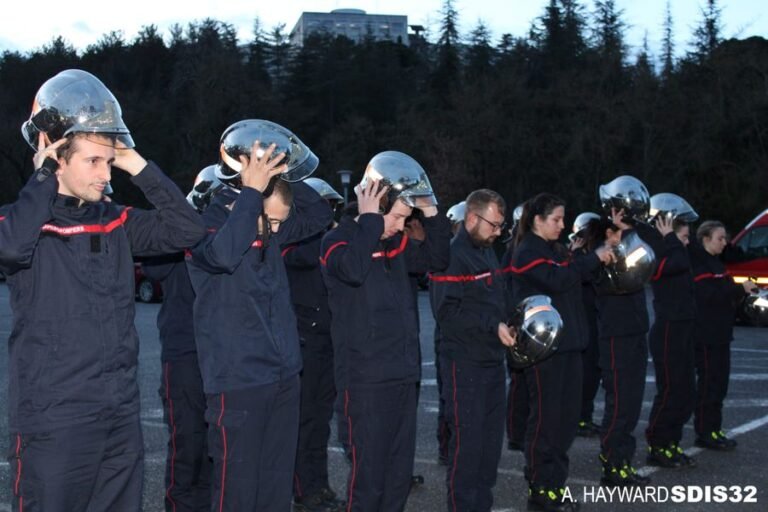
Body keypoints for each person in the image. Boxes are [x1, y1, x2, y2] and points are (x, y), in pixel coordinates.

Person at [0, 69, 206, 512]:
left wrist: (136, 163)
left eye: (109, 162)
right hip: (55, 420)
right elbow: (11, 248)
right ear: (56, 158)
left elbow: (187, 229)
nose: (105, 173)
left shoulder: (116, 219)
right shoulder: (19, 221)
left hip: (119, 416)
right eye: (94, 161)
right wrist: (40, 181)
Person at [186, 120, 333, 512]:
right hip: (237, 381)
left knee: (274, 487)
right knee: (237, 491)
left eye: (280, 223)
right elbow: (222, 255)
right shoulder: (205, 223)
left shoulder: (273, 225)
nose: (276, 230)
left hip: (284, 376)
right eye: (271, 221)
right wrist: (252, 191)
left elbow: (319, 214)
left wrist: (285, 173)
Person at [320, 151, 450, 512]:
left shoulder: (396, 243)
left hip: (402, 377)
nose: (400, 226)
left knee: (397, 480)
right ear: (376, 206)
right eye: (396, 217)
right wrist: (370, 223)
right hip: (365, 384)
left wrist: (432, 210)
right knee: (369, 482)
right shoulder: (338, 243)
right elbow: (353, 271)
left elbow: (438, 259)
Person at [507, 194, 614, 511]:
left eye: (563, 218)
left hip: (570, 346)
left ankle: (555, 483)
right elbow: (557, 278)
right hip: (545, 350)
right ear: (537, 220)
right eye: (555, 219)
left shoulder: (557, 250)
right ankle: (541, 487)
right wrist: (593, 258)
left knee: (566, 421)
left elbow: (575, 274)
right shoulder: (526, 251)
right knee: (546, 420)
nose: (562, 225)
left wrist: (593, 257)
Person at [141, 165, 224, 512]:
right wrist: (186, 223)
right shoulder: (181, 231)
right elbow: (153, 268)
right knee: (187, 444)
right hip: (184, 355)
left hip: (220, 355)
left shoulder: (227, 237)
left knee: (214, 445)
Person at [430, 189, 517, 512]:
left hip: (492, 362)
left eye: (500, 226)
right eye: (493, 225)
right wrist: (490, 325)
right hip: (464, 365)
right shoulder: (453, 255)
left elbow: (498, 298)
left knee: (489, 449)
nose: (497, 232)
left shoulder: (486, 251)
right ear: (471, 218)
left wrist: (512, 321)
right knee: (467, 450)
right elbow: (447, 313)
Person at [281, 177, 345, 512]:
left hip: (327, 339)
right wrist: (323, 230)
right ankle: (303, 490)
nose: (331, 213)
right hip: (305, 339)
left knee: (320, 421)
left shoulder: (324, 240)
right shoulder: (293, 239)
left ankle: (319, 486)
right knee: (305, 421)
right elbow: (303, 258)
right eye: (327, 206)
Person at [644, 194, 700, 469]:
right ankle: (657, 444)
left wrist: (675, 241)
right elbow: (671, 265)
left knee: (686, 391)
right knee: (670, 390)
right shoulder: (661, 252)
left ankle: (671, 442)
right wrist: (671, 240)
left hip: (683, 328)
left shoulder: (675, 249)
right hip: (667, 330)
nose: (687, 242)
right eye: (684, 236)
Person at [689, 221, 754, 450]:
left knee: (720, 384)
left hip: (721, 334)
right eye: (720, 238)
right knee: (709, 384)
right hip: (706, 335)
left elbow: (724, 294)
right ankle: (705, 432)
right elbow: (707, 296)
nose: (724, 242)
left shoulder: (718, 263)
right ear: (706, 238)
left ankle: (714, 428)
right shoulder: (699, 265)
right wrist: (739, 289)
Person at [568, 213, 603, 438]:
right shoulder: (573, 255)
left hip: (595, 317)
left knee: (594, 371)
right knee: (584, 371)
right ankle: (578, 417)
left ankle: (585, 415)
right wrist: (576, 254)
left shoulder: (595, 254)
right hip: (580, 319)